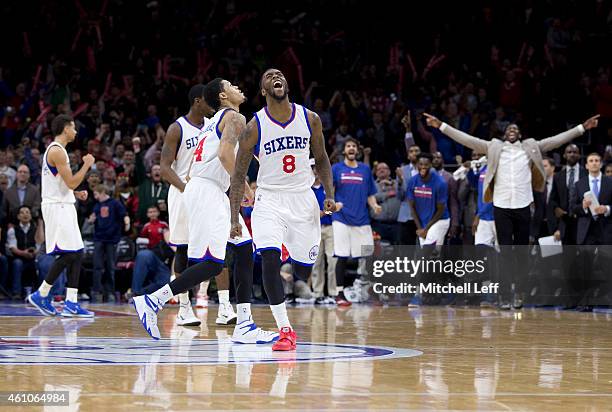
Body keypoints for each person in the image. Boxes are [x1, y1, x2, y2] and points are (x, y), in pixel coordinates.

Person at [134, 78, 277, 344]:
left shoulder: (213, 121)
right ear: (223, 95)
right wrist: (245, 187)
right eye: (232, 84)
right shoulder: (233, 117)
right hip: (207, 191)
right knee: (212, 263)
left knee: (245, 249)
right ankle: (153, 301)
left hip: (210, 190)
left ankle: (244, 324)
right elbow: (225, 155)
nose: (239, 86)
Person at [229, 68, 336, 351]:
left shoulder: (309, 118)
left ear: (286, 84)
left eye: (279, 74)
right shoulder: (254, 126)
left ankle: (291, 252)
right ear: (264, 90)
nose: (276, 76)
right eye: (268, 76)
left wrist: (329, 194)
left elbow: (322, 159)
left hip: (302, 199)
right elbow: (238, 175)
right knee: (268, 259)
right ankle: (285, 330)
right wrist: (234, 218)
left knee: (303, 270)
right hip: (270, 200)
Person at [423, 112, 600, 245]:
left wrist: (582, 127)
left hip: (523, 204)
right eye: (509, 128)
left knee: (522, 249)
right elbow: (466, 139)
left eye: (515, 128)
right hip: (501, 205)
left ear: (520, 135)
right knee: (505, 249)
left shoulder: (530, 146)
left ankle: (520, 291)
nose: (512, 130)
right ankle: (506, 292)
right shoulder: (493, 146)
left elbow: (556, 140)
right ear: (504, 134)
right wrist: (440, 125)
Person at [27, 114, 94, 317]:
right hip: (57, 207)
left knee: (77, 252)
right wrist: (87, 164)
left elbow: (62, 184)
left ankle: (71, 302)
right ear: (65, 128)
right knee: (68, 254)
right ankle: (42, 293)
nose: (75, 131)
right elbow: (72, 181)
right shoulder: (57, 151)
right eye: (73, 127)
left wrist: (74, 193)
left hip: (63, 203)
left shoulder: (58, 151)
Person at [157, 84, 210, 327]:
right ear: (198, 101)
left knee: (206, 252)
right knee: (183, 249)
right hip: (182, 192)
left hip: (206, 193)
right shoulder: (177, 128)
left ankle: (211, 298)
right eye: (208, 100)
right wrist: (187, 189)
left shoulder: (211, 126)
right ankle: (184, 307)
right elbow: (165, 168)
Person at [331, 138, 381, 306]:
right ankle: (339, 293)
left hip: (362, 219)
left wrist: (374, 206)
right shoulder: (336, 169)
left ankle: (370, 290)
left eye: (354, 146)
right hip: (341, 219)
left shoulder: (365, 170)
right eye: (348, 146)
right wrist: (333, 204)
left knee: (369, 255)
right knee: (342, 256)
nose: (351, 148)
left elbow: (370, 193)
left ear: (357, 151)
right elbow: (329, 192)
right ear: (344, 150)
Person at [88, 184, 130, 302]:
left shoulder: (115, 203)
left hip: (111, 238)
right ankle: (97, 291)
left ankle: (110, 291)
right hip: (99, 238)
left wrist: (127, 222)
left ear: (102, 192)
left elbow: (123, 214)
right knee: (97, 266)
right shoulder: (97, 206)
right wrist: (91, 220)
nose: (95, 197)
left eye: (96, 194)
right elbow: (93, 218)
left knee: (110, 266)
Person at [407, 153, 450, 247]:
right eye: (420, 164)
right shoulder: (412, 181)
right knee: (432, 256)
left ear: (431, 165)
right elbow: (412, 208)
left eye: (426, 165)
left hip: (439, 221)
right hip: (423, 223)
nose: (423, 167)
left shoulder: (440, 183)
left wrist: (426, 229)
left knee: (427, 251)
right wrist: (420, 228)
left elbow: (440, 210)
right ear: (416, 165)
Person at [310, 160, 337, 305]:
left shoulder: (327, 189)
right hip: (314, 228)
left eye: (317, 169)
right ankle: (318, 293)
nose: (315, 172)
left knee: (332, 260)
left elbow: (334, 207)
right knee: (317, 261)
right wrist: (317, 214)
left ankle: (333, 293)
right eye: (313, 169)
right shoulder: (306, 189)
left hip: (329, 227)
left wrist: (324, 212)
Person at [130, 205, 172, 298]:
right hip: (151, 254)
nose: (152, 214)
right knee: (144, 255)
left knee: (165, 282)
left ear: (158, 213)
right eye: (150, 212)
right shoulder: (146, 226)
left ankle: (141, 293)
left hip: (163, 258)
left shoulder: (164, 224)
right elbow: (142, 241)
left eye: (154, 211)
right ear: (147, 214)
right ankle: (135, 292)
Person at [549, 144, 586, 244]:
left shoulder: (587, 173)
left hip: (582, 220)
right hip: (564, 222)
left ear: (579, 155)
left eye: (575, 152)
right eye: (569, 152)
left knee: (584, 256)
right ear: (564, 155)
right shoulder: (558, 176)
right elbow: (553, 199)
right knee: (567, 257)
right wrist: (556, 208)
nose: (572, 154)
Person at [574, 153, 612, 245]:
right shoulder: (579, 184)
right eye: (591, 161)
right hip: (586, 231)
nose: (594, 163)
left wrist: (607, 209)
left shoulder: (610, 182)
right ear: (586, 166)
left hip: (606, 229)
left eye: (596, 160)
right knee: (587, 259)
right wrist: (583, 206)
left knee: (606, 259)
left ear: (601, 164)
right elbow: (572, 207)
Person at [5, 205, 37, 299]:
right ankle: (16, 292)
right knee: (17, 263)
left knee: (40, 263)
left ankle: (37, 293)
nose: (25, 215)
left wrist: (34, 253)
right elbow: (12, 247)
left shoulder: (35, 229)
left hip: (33, 257)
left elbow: (40, 245)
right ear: (18, 216)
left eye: (27, 212)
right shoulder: (12, 230)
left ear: (31, 216)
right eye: (22, 212)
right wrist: (24, 253)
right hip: (18, 257)